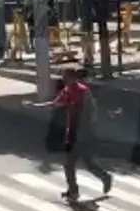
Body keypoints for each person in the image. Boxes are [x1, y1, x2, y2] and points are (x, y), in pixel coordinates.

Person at [24, 67, 112, 201]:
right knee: (87, 162)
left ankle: (74, 191)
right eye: (63, 76)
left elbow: (92, 111)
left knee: (69, 164)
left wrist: (87, 130)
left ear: (73, 78)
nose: (63, 79)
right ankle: (104, 177)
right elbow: (55, 104)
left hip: (82, 132)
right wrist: (35, 106)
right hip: (72, 131)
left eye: (65, 76)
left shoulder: (82, 91)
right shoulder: (67, 90)